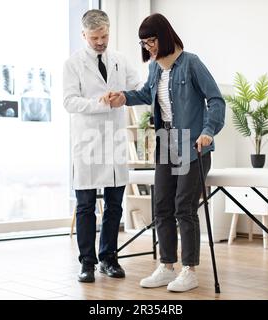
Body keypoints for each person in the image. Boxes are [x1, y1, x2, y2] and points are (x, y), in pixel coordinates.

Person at [102, 13, 225, 292]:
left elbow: (216, 100)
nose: (148, 47)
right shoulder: (157, 68)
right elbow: (147, 94)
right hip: (167, 142)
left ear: (165, 36)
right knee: (162, 206)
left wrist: (208, 131)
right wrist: (124, 97)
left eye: (152, 41)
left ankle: (189, 270)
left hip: (193, 144)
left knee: (184, 206)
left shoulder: (191, 63)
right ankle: (167, 266)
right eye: (144, 43)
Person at [63, 9, 140, 283]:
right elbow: (69, 101)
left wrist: (123, 97)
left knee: (114, 204)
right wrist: (100, 102)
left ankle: (109, 258)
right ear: (84, 35)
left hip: (115, 138)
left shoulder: (120, 60)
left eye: (104, 36)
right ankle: (87, 263)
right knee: (85, 205)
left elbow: (138, 86)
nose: (100, 42)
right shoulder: (72, 64)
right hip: (87, 141)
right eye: (95, 37)